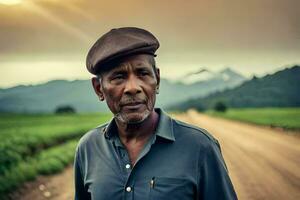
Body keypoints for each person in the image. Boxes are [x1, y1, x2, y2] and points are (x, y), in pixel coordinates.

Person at [74, 27, 238, 200]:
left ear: (157, 80)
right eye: (119, 76)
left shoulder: (200, 147)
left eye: (142, 73)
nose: (133, 88)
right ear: (99, 89)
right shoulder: (88, 148)